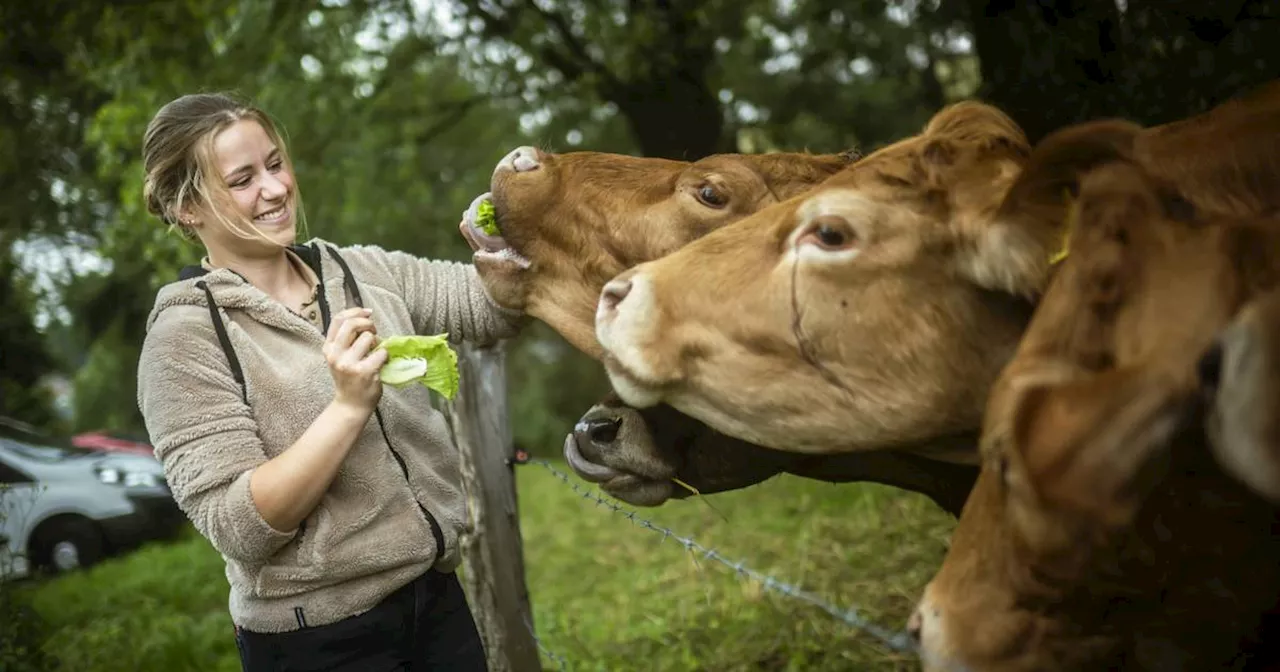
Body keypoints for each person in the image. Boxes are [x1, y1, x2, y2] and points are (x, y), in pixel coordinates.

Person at [134, 91, 527, 671]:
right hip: (317, 640)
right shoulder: (185, 338)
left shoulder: (358, 270)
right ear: (187, 208)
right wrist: (347, 408)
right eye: (242, 180)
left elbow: (490, 308)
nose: (273, 189)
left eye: (273, 163)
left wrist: (511, 244)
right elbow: (240, 526)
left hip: (437, 602)